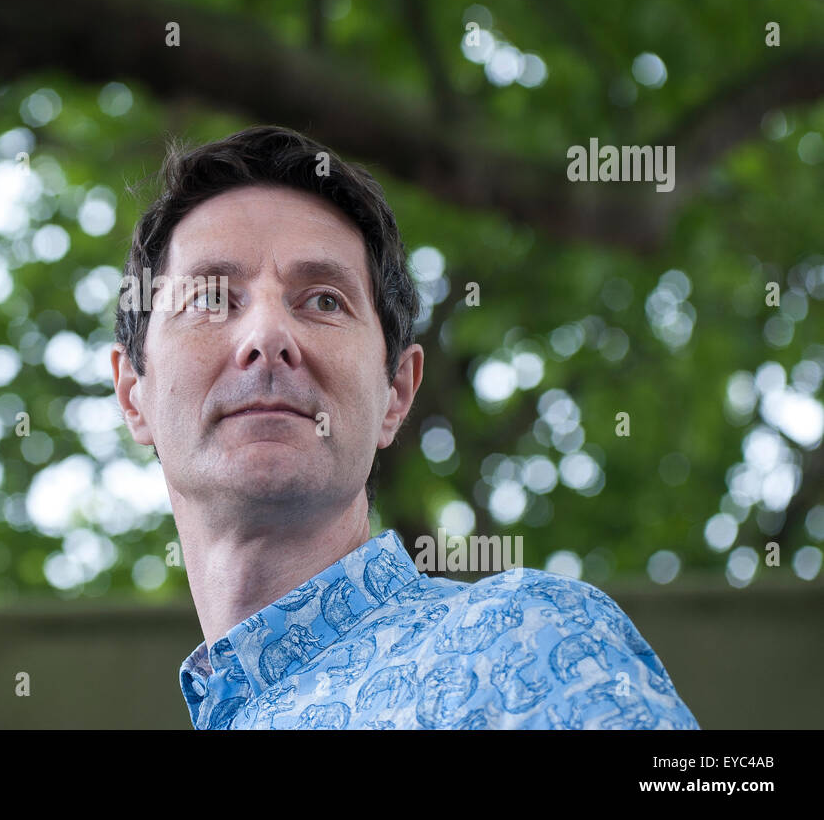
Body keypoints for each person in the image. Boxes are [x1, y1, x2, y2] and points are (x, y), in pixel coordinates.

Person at [109, 125, 700, 730]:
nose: (266, 337)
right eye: (209, 298)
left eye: (324, 300)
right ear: (134, 395)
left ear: (396, 393)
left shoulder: (527, 639)